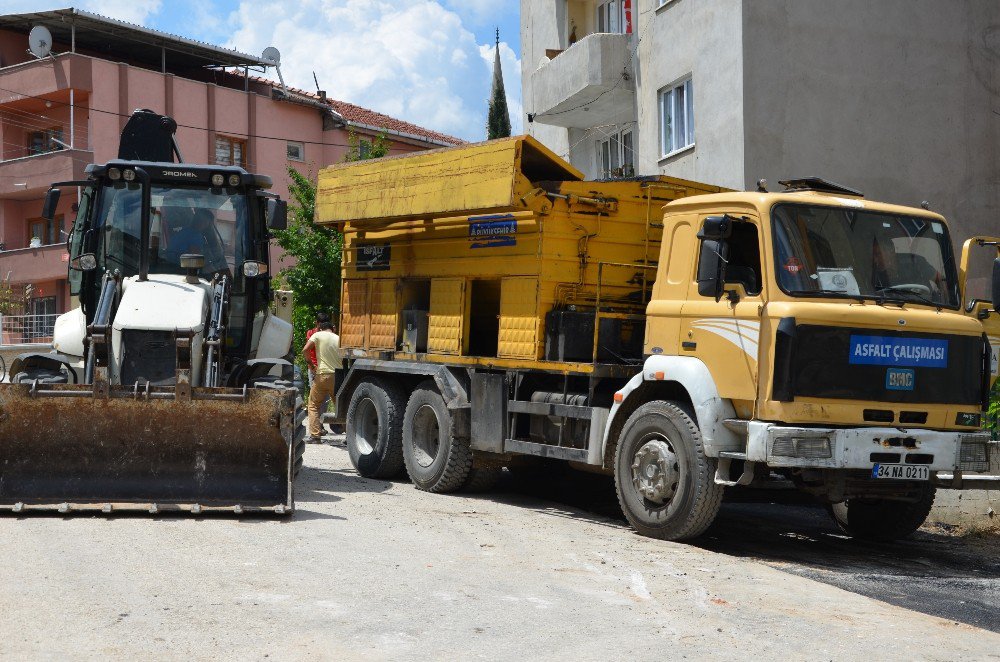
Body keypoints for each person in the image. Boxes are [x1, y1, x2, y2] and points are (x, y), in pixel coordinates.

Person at [302, 317, 342, 442]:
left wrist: (310, 364)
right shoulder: (339, 338)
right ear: (332, 328)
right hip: (338, 375)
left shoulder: (317, 335)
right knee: (341, 406)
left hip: (323, 374)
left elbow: (305, 349)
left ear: (320, 328)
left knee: (313, 405)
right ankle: (348, 438)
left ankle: (315, 435)